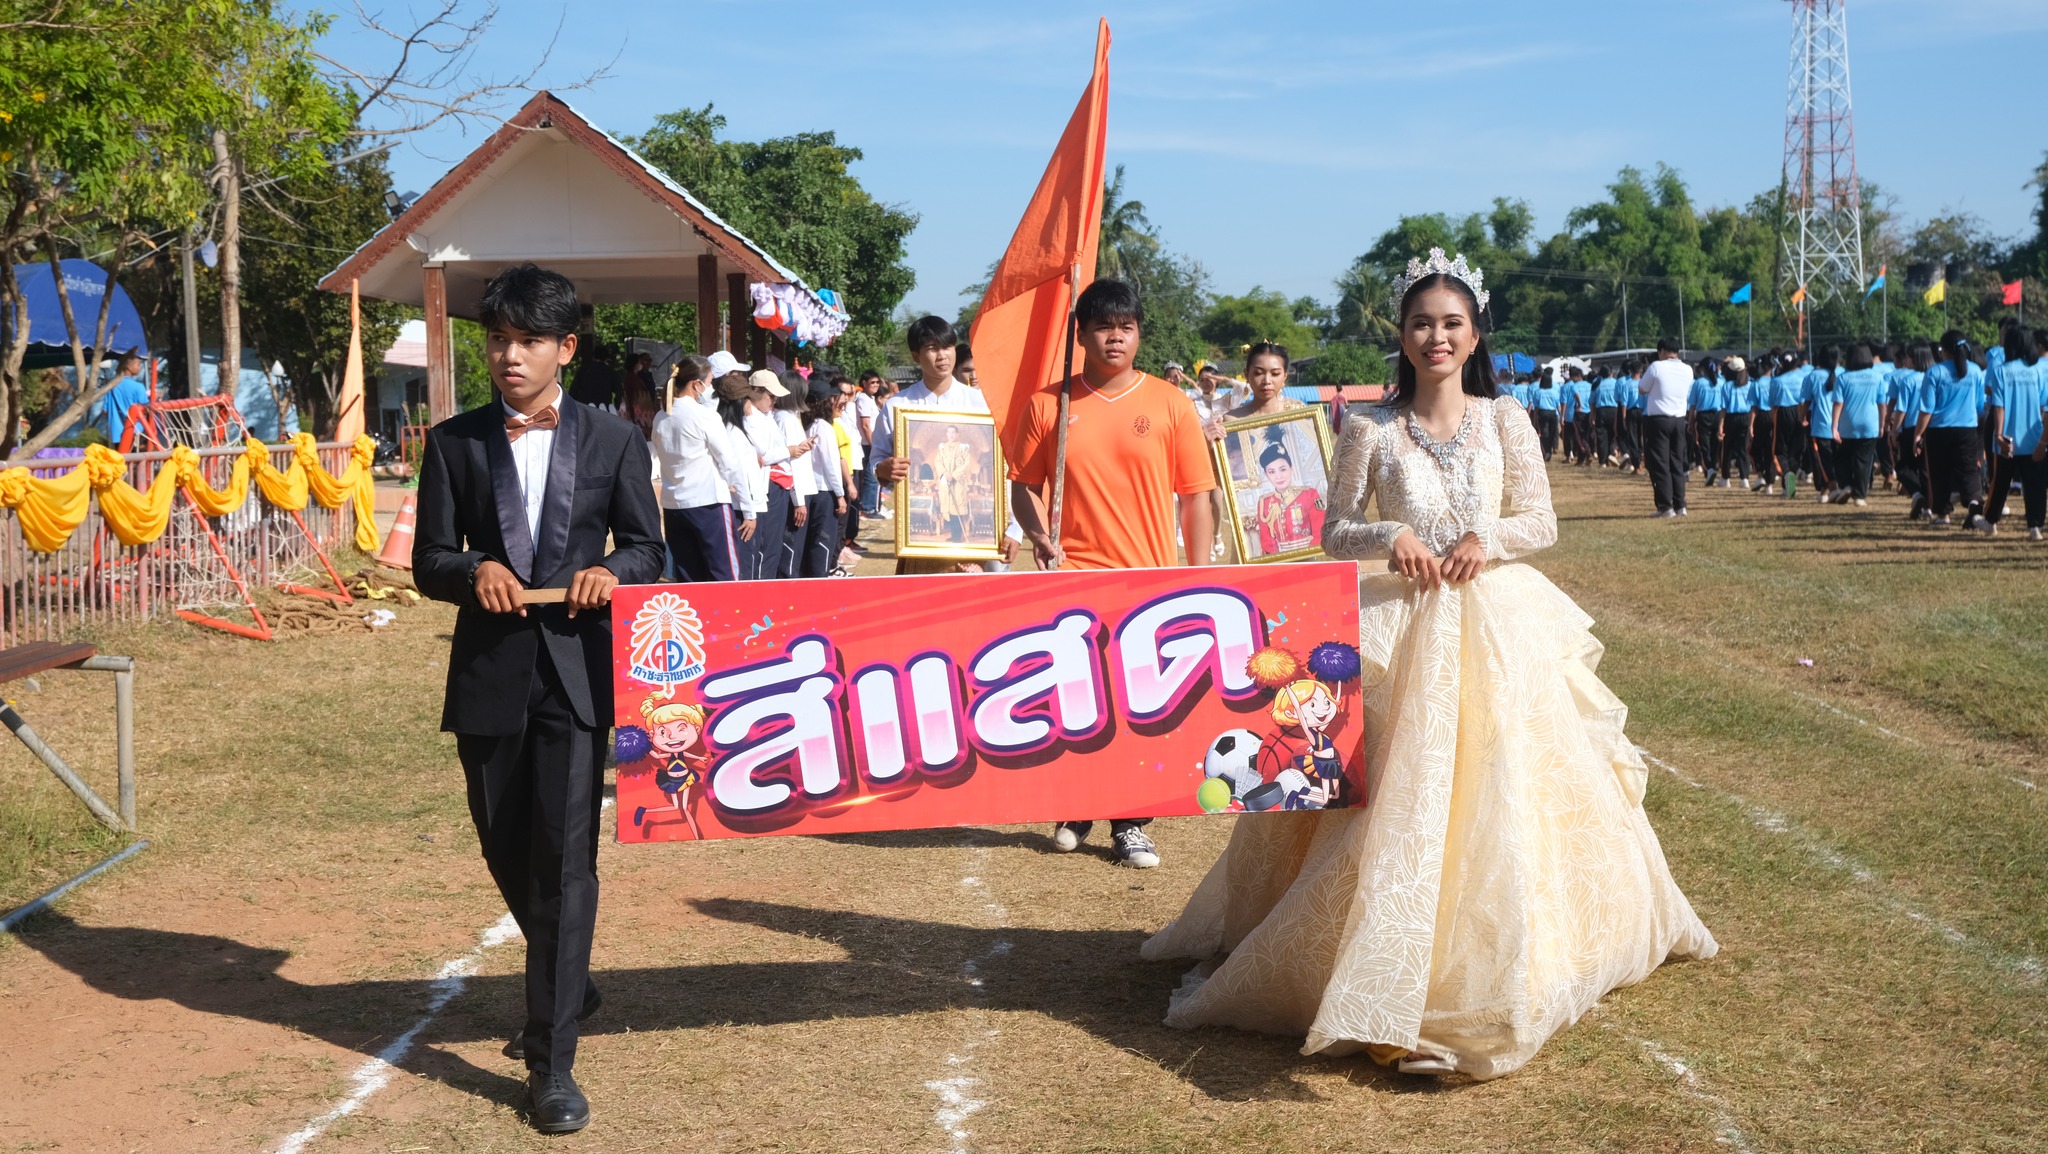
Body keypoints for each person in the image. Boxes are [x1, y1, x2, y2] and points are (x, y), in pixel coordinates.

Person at [1141, 250, 1714, 1079]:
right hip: (1400, 631)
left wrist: (1491, 539)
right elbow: (1335, 528)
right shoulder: (1369, 428)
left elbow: (1541, 519)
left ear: (1474, 335)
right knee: (1389, 803)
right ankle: (1381, 977)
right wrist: (1391, 535)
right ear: (1403, 336)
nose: (1436, 337)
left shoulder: (1505, 418)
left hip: (1495, 627)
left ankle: (1488, 973)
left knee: (1500, 800)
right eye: (1421, 324)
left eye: (1451, 324)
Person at [412, 264, 665, 1133]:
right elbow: (429, 559)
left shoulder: (614, 440)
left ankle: (552, 1063)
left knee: (564, 863)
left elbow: (648, 549)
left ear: (567, 348)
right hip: (489, 676)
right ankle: (570, 974)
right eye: (497, 340)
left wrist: (611, 571)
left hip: (578, 677)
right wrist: (472, 568)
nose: (509, 356)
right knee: (504, 847)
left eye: (528, 341)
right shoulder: (453, 443)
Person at [1009, 279, 1217, 869]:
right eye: (1103, 327)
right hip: (1074, 579)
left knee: (1137, 710)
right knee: (1077, 701)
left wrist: (1198, 576)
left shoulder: (1171, 404)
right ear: (1081, 335)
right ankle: (1077, 806)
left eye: (1126, 327)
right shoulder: (1049, 405)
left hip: (1150, 581)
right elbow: (1024, 486)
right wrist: (1038, 534)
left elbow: (1196, 496)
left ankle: (1131, 824)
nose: (1116, 337)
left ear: (1139, 334)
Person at [872, 316, 1020, 573]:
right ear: (916, 355)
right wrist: (883, 469)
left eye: (947, 347)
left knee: (979, 594)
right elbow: (877, 460)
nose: (942, 356)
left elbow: (1011, 470)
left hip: (979, 540)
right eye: (932, 348)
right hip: (920, 546)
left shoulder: (983, 405)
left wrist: (1015, 529)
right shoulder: (898, 406)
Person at [651, 354, 754, 582]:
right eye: (709, 383)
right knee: (725, 576)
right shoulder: (704, 415)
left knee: (689, 578)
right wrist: (747, 507)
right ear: (696, 385)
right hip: (708, 502)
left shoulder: (661, 416)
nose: (711, 388)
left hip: (674, 504)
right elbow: (730, 462)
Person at [1913, 331, 1990, 529]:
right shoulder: (1975, 371)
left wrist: (1918, 434)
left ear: (1942, 350)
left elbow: (1927, 410)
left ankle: (1943, 514)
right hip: (1967, 429)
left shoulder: (1934, 372)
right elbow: (1979, 405)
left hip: (1939, 430)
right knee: (1968, 470)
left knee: (1939, 473)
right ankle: (1974, 503)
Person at [1982, 326, 2046, 539]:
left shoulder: (2001, 370)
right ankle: (2035, 527)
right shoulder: (2037, 371)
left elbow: (1999, 407)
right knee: (2034, 484)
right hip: (2033, 437)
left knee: (2000, 483)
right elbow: (2043, 407)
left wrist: (1998, 435)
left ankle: (1990, 522)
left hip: (2007, 438)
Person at [795, 373, 849, 573]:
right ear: (826, 402)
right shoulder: (824, 427)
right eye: (833, 399)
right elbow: (831, 464)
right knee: (823, 541)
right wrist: (840, 495)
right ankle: (820, 579)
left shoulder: (806, 424)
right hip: (824, 490)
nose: (836, 402)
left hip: (811, 490)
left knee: (811, 541)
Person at [1638, 338, 1693, 518]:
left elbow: (1642, 389)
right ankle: (1680, 505)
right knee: (1677, 462)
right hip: (1679, 420)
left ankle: (1665, 506)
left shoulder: (1656, 367)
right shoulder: (1688, 369)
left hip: (1659, 420)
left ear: (1662, 351)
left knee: (1660, 463)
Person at [1829, 344, 1888, 507]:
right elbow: (1882, 404)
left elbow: (1838, 404)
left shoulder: (1843, 378)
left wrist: (1834, 426)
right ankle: (1860, 495)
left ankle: (1847, 485)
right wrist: (1882, 425)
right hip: (1870, 424)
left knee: (1842, 458)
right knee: (1864, 461)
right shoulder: (1877, 377)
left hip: (1849, 424)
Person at [1889, 344, 1930, 518]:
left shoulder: (1908, 380)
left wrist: (1894, 430)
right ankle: (1928, 506)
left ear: (1915, 359)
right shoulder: (1933, 377)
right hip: (1930, 427)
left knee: (1903, 467)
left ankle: (1917, 494)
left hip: (1911, 427)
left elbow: (1901, 409)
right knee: (1925, 469)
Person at [1803, 347, 1844, 503]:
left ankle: (1832, 488)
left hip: (1821, 425)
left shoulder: (1813, 376)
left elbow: (1806, 401)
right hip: (1841, 426)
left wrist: (1802, 417)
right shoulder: (1843, 373)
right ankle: (1829, 490)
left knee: (1823, 461)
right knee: (1837, 459)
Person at [95, 352, 151, 446]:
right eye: (138, 365)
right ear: (129, 367)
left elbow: (105, 411)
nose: (140, 367)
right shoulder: (138, 387)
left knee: (120, 455)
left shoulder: (111, 386)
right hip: (136, 431)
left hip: (116, 434)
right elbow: (145, 409)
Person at [1721, 356, 1755, 487]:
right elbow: (1753, 406)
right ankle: (1744, 478)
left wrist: (1720, 425)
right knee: (1743, 448)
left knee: (1727, 448)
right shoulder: (1750, 385)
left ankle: (1725, 478)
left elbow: (1723, 408)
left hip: (1731, 418)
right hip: (1746, 417)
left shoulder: (1726, 386)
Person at [1689, 358, 1724, 485]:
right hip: (1718, 415)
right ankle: (1713, 467)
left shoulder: (1698, 383)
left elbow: (1692, 406)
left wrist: (1690, 422)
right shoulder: (1721, 383)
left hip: (1703, 416)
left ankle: (1709, 469)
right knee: (1715, 445)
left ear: (1702, 369)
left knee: (1704, 445)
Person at [1529, 367, 1562, 460]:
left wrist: (1535, 419)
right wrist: (1561, 416)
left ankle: (1546, 451)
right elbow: (1558, 405)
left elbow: (1536, 407)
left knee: (1544, 433)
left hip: (1542, 413)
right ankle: (1549, 451)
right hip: (1553, 413)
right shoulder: (1554, 392)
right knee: (1552, 433)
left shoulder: (1538, 392)